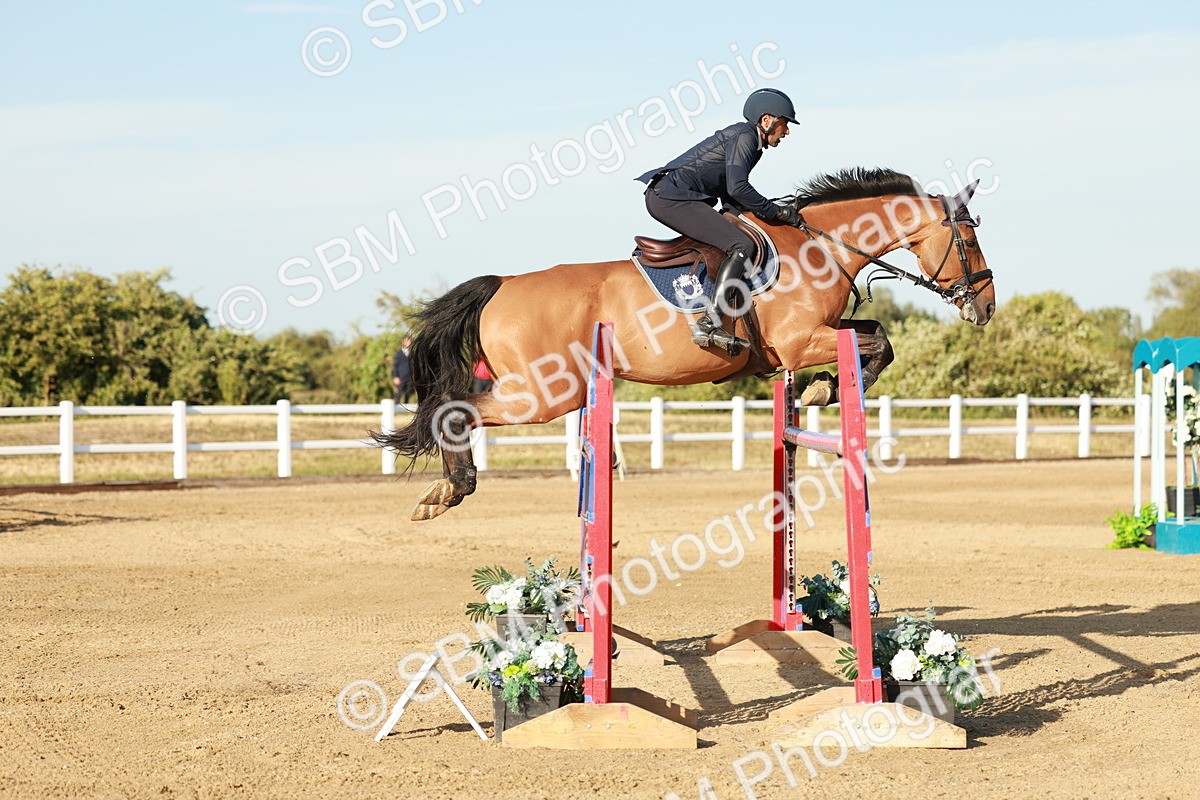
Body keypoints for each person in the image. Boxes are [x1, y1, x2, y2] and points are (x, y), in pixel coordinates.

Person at [636, 87, 802, 355]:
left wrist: (755, 211)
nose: (787, 132)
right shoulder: (746, 137)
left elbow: (728, 190)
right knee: (741, 246)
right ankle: (709, 322)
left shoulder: (751, 142)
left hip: (674, 196)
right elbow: (738, 188)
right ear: (767, 120)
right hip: (671, 197)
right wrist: (774, 211)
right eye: (784, 124)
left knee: (734, 236)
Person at [392, 336, 413, 404]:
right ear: (403, 342)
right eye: (407, 341)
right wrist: (396, 376)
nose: (409, 343)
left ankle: (405, 408)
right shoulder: (399, 353)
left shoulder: (412, 353)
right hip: (401, 376)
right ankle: (395, 407)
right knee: (399, 393)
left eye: (410, 341)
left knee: (408, 392)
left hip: (410, 377)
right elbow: (395, 366)